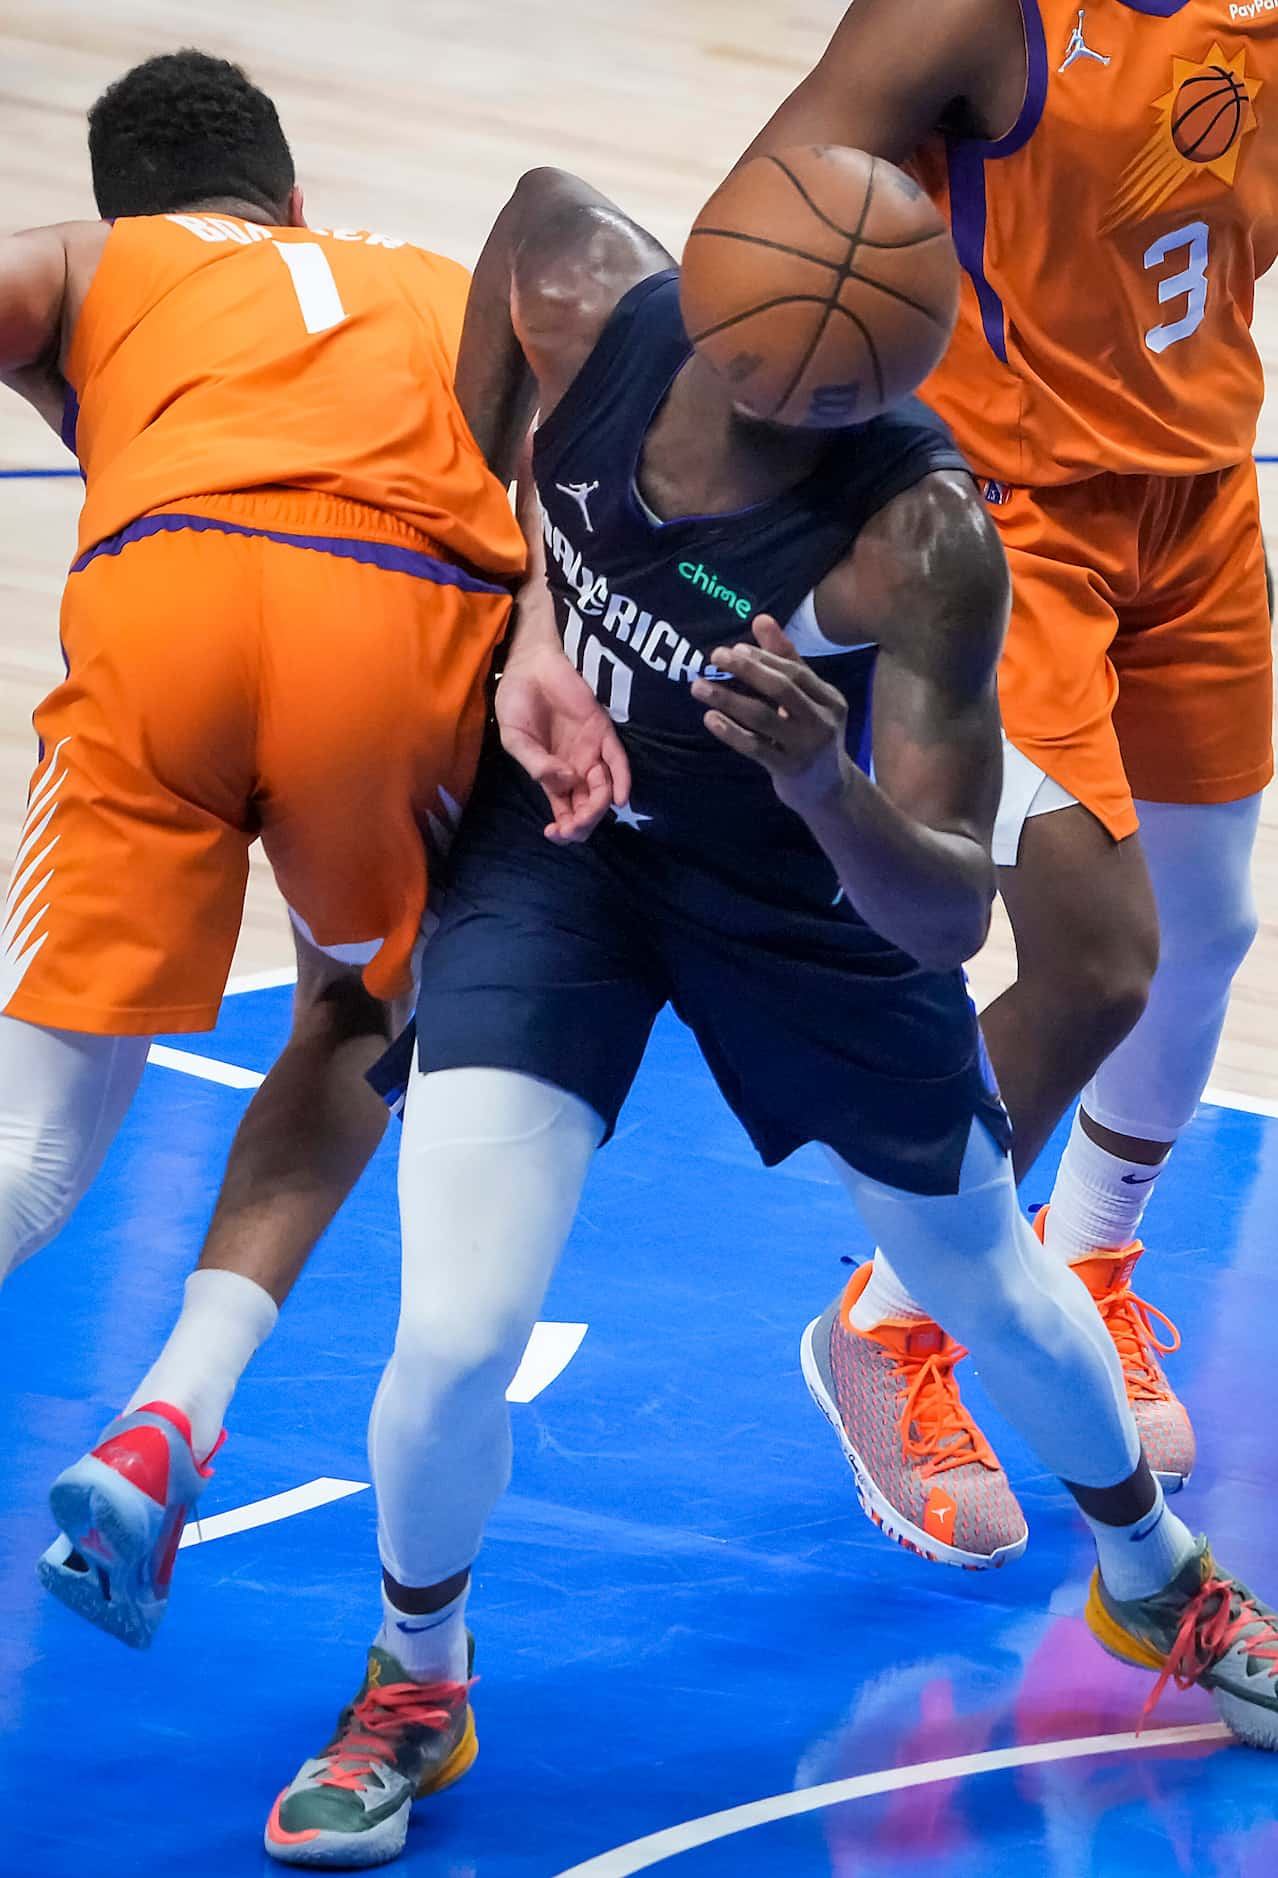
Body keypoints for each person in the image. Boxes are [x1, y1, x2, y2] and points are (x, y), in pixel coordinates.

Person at [263, 163, 1278, 1870]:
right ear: (702, 306)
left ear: (893, 387)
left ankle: (1149, 1572)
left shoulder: (920, 542)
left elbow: (950, 904)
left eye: (833, 403)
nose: (785, 417)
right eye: (765, 381)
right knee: (452, 1327)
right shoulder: (581, 281)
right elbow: (514, 216)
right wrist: (517, 598)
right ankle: (415, 1684)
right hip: (565, 861)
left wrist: (820, 778)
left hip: (805, 901)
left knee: (985, 1284)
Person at [0, 50, 623, 1648]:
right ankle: (172, 1418)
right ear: (292, 198)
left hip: (173, 605)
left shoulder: (99, 261)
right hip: (396, 632)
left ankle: (167, 1415)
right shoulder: (425, 283)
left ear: (127, 209)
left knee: (35, 1146)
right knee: (355, 1013)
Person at [737, 0, 1278, 1559]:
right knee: (1096, 956)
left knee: (1210, 938)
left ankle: (1089, 1262)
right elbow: (767, 217)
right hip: (994, 523)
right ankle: (886, 1322)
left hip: (1191, 507)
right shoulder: (975, 13)